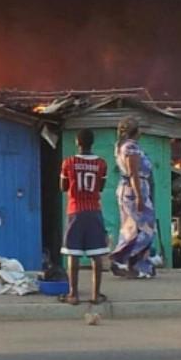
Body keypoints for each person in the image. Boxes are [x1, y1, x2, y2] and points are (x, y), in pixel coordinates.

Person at [59, 128, 109, 305]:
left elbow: (63, 187)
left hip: (75, 211)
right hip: (94, 210)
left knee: (73, 254)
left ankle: (73, 295)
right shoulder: (102, 164)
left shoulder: (68, 162)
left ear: (77, 142)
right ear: (92, 143)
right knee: (96, 254)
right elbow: (101, 187)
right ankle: (96, 295)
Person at [108, 117, 157, 279]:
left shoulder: (123, 146)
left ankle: (136, 264)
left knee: (131, 228)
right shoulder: (131, 148)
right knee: (146, 229)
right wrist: (139, 197)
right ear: (136, 131)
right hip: (135, 189)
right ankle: (121, 258)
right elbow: (133, 173)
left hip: (130, 189)